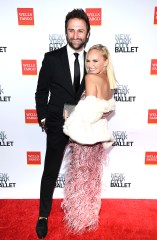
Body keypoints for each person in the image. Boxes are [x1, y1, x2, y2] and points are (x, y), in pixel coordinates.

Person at [35, 8, 90, 239]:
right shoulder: (51, 58)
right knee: (50, 171)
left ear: (87, 33)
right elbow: (41, 92)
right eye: (71, 30)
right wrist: (44, 118)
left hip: (84, 127)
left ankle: (81, 213)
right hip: (58, 124)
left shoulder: (93, 60)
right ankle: (43, 215)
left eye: (80, 31)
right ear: (65, 33)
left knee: (82, 172)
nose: (75, 35)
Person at [61, 44, 117, 234]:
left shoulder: (91, 78)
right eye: (88, 60)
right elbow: (106, 110)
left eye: (95, 60)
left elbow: (88, 114)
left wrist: (69, 115)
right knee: (91, 180)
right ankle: (88, 217)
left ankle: (78, 219)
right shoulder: (107, 81)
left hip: (84, 139)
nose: (90, 64)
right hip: (98, 140)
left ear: (105, 61)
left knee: (79, 180)